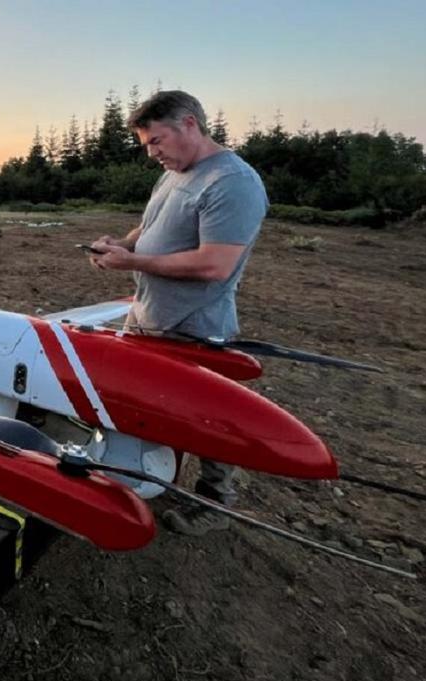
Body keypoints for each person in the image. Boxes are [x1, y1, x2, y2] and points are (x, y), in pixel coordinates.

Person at [86, 90, 269, 536]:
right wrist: (122, 244)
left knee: (207, 417)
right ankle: (142, 473)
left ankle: (214, 502)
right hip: (149, 318)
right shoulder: (175, 174)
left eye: (156, 141)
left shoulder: (232, 182)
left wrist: (132, 263)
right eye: (147, 144)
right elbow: (150, 226)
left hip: (195, 326)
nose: (152, 153)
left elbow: (214, 264)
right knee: (140, 402)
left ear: (189, 124)